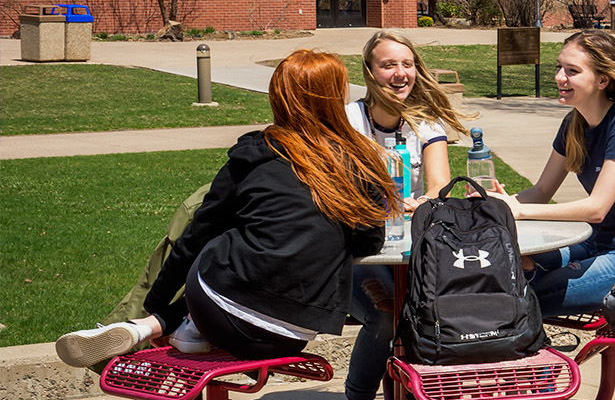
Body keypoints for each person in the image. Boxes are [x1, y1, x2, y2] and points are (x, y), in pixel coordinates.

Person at [54, 49, 392, 370]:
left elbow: (195, 238)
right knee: (261, 260)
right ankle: (168, 327)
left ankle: (153, 325)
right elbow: (370, 242)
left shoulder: (255, 154)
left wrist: (153, 301)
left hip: (217, 312)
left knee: (223, 232)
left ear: (279, 97)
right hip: (294, 333)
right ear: (337, 98)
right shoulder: (362, 161)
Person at [485, 30, 615, 400]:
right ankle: (522, 399)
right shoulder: (574, 123)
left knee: (528, 298)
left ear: (602, 79)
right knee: (505, 282)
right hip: (596, 242)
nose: (560, 78)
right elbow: (539, 191)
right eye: (558, 68)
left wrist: (522, 210)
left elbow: (597, 207)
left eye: (572, 70)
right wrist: (496, 205)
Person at [327, 29, 471, 400]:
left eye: (407, 64)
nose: (400, 73)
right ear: (370, 72)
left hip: (412, 249)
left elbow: (439, 188)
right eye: (389, 64)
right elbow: (338, 192)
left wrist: (419, 202)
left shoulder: (425, 122)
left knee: (442, 308)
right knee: (385, 316)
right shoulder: (349, 121)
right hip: (356, 254)